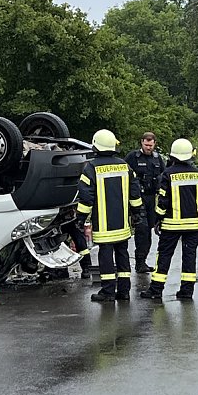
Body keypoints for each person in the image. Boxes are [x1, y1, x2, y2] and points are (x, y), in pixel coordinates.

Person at [76, 129, 145, 302]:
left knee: (105, 256)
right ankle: (124, 291)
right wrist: (137, 213)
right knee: (122, 254)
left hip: (104, 225)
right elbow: (135, 193)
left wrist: (80, 219)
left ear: (96, 146)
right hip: (122, 223)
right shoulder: (124, 166)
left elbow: (86, 199)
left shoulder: (91, 168)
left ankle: (108, 291)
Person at [140, 138, 198, 301]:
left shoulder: (168, 174)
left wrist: (158, 219)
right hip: (195, 224)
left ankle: (156, 290)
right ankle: (187, 291)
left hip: (172, 225)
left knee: (164, 256)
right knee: (189, 257)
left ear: (173, 155)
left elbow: (163, 201)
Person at [125, 132, 166, 273]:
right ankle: (139, 262)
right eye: (146, 144)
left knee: (148, 230)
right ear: (141, 142)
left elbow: (164, 175)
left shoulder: (157, 158)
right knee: (141, 230)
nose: (148, 147)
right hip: (138, 199)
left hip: (151, 198)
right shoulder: (133, 157)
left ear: (154, 144)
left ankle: (143, 261)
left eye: (151, 145)